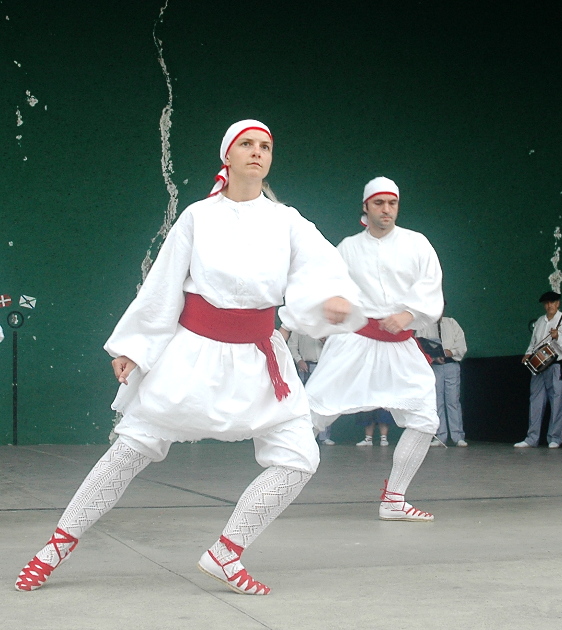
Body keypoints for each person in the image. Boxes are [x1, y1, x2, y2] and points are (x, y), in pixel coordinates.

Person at [14, 120, 364, 594]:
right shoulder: (198, 217)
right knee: (129, 451)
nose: (257, 152)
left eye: (265, 146)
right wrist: (133, 347)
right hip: (192, 358)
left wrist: (331, 299)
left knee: (300, 458)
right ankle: (55, 546)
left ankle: (227, 552)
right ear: (228, 156)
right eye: (247, 145)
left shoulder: (289, 221)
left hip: (262, 362)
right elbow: (163, 286)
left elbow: (324, 272)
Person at [306, 176, 443, 522]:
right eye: (379, 203)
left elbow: (430, 286)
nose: (386, 210)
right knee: (311, 412)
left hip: (400, 347)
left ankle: (394, 499)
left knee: (425, 417)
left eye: (392, 203)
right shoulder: (348, 248)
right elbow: (330, 286)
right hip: (354, 343)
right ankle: (274, 481)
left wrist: (409, 313)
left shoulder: (417, 244)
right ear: (365, 207)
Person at [514, 291, 562, 449]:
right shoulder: (540, 322)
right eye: (546, 303)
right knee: (535, 402)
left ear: (558, 304)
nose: (549, 305)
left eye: (552, 302)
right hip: (539, 368)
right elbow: (534, 342)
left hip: (558, 365)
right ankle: (532, 438)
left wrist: (558, 337)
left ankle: (554, 438)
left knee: (557, 402)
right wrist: (528, 353)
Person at [417, 311, 468, 447]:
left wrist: (447, 352)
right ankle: (440, 436)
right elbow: (420, 346)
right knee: (437, 401)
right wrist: (433, 356)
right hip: (434, 366)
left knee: (453, 401)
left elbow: (461, 345)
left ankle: (458, 436)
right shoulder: (424, 325)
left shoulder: (451, 323)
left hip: (451, 364)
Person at [288, 330, 334, 445]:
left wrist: (326, 341)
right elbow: (292, 345)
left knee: (324, 402)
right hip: (306, 367)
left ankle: (324, 436)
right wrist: (298, 360)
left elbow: (337, 347)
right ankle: (306, 434)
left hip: (324, 366)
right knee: (305, 402)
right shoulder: (299, 326)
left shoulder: (327, 326)